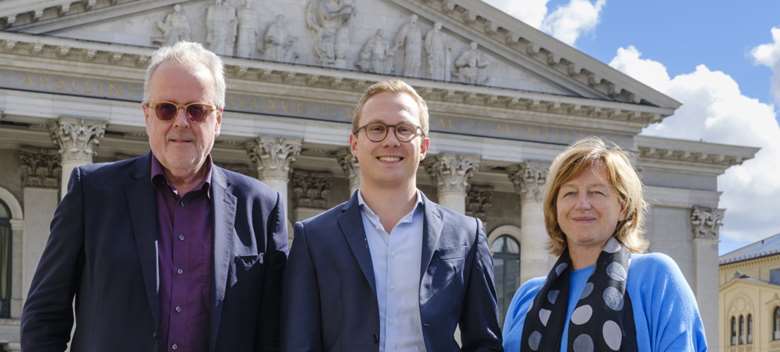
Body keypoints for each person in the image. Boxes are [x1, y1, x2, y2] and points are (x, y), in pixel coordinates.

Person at [20, 41, 288, 352]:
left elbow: (275, 332)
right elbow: (44, 315)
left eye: (197, 110)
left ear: (218, 120)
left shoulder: (261, 208)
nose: (180, 122)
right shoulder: (92, 193)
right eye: (166, 109)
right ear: (147, 115)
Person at [282, 79, 502, 351]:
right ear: (354, 144)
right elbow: (298, 342)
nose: (390, 140)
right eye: (376, 129)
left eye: (404, 129)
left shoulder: (467, 234)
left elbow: (484, 342)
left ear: (423, 146)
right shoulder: (314, 237)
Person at [502, 137, 707, 352]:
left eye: (596, 192)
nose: (582, 204)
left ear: (623, 207)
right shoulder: (528, 296)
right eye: (570, 193)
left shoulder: (655, 277)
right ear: (555, 208)